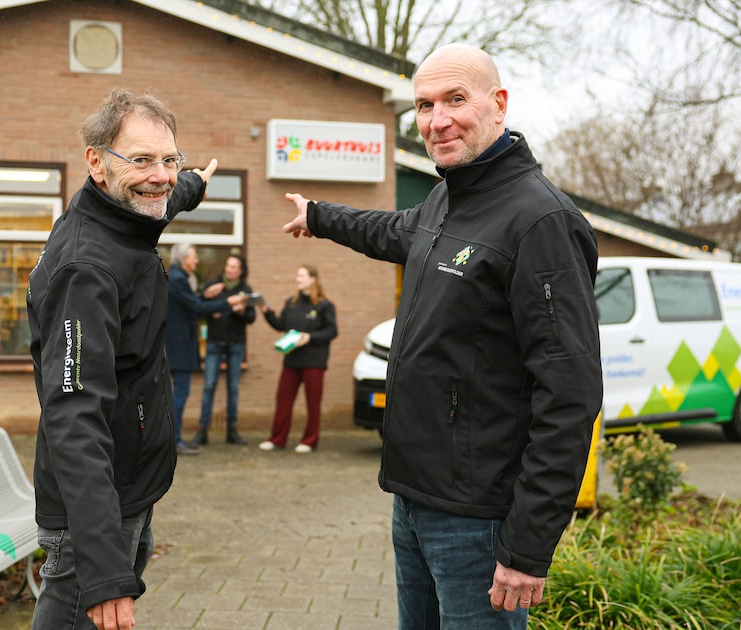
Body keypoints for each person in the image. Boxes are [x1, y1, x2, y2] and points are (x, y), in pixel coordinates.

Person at [280, 44, 603, 628]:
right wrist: (321, 216)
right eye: (425, 106)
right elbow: (393, 230)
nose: (438, 119)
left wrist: (528, 547)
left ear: (498, 104)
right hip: (415, 500)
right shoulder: (446, 199)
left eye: (456, 99)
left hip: (479, 520)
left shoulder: (540, 222)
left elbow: (570, 393)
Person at [28, 88, 221, 630]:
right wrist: (104, 568)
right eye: (140, 160)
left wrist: (195, 185)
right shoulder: (86, 271)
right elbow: (72, 415)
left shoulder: (123, 214)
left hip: (130, 488)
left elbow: (162, 196)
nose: (159, 175)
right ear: (96, 162)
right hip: (95, 512)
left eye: (169, 159)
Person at [165, 243, 246, 455]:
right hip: (179, 346)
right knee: (179, 394)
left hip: (178, 346)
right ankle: (174, 441)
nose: (197, 260)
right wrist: (228, 301)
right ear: (184, 259)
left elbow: (192, 304)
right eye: (194, 256)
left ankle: (177, 438)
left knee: (179, 393)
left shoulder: (177, 277)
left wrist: (206, 295)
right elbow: (198, 309)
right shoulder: (178, 279)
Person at [255, 264, 337, 453]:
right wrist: (266, 311)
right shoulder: (291, 302)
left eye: (301, 276)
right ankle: (277, 439)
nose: (297, 279)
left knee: (313, 403)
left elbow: (332, 331)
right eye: (297, 276)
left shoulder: (325, 305)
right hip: (292, 361)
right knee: (283, 399)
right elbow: (280, 325)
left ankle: (309, 441)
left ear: (313, 279)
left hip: (314, 362)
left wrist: (310, 337)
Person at [191, 254, 257, 447]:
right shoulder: (214, 285)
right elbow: (199, 308)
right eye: (227, 265)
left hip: (236, 344)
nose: (229, 269)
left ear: (241, 271)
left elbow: (251, 318)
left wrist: (242, 312)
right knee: (209, 386)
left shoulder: (245, 290)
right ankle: (202, 431)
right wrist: (207, 300)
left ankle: (232, 431)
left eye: (233, 267)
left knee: (233, 389)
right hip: (214, 342)